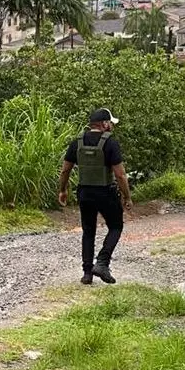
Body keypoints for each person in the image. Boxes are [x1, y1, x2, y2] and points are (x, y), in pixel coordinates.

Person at [58, 108, 133, 285]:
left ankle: (87, 273)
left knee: (88, 231)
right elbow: (120, 175)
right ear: (104, 124)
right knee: (116, 226)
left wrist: (63, 190)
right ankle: (102, 262)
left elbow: (65, 169)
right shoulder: (110, 143)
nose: (112, 127)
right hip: (105, 192)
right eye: (111, 123)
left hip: (84, 192)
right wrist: (127, 196)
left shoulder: (77, 142)